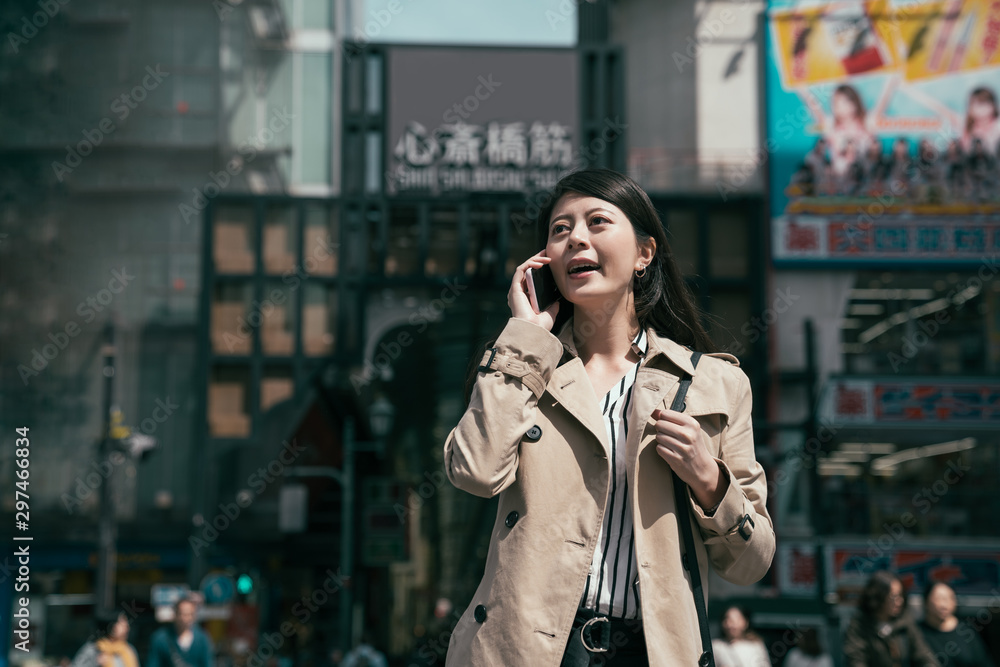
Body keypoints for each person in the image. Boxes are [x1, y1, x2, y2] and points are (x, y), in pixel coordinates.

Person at [443, 168, 775, 666]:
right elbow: (474, 471)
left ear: (645, 253)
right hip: (526, 651)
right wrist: (524, 336)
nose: (576, 237)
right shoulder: (525, 367)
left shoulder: (714, 385)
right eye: (560, 230)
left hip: (651, 652)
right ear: (545, 263)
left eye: (597, 221)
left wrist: (710, 481)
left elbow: (752, 561)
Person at [843, 570, 939, 667]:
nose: (899, 601)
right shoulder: (859, 625)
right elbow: (856, 660)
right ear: (878, 597)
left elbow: (922, 653)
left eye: (901, 595)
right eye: (894, 597)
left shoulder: (905, 621)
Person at [918, 581, 995, 667]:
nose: (944, 605)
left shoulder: (966, 630)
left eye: (949, 598)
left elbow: (983, 661)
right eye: (939, 598)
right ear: (926, 602)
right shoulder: (918, 632)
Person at [147, 596, 213, 667]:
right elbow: (153, 663)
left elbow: (207, 663)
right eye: (183, 614)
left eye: (190, 614)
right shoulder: (160, 639)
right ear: (175, 614)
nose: (186, 618)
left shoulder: (202, 639)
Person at [71, 612, 140, 667]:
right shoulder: (93, 649)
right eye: (122, 624)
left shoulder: (128, 649)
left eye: (126, 624)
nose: (127, 628)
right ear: (111, 626)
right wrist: (95, 663)